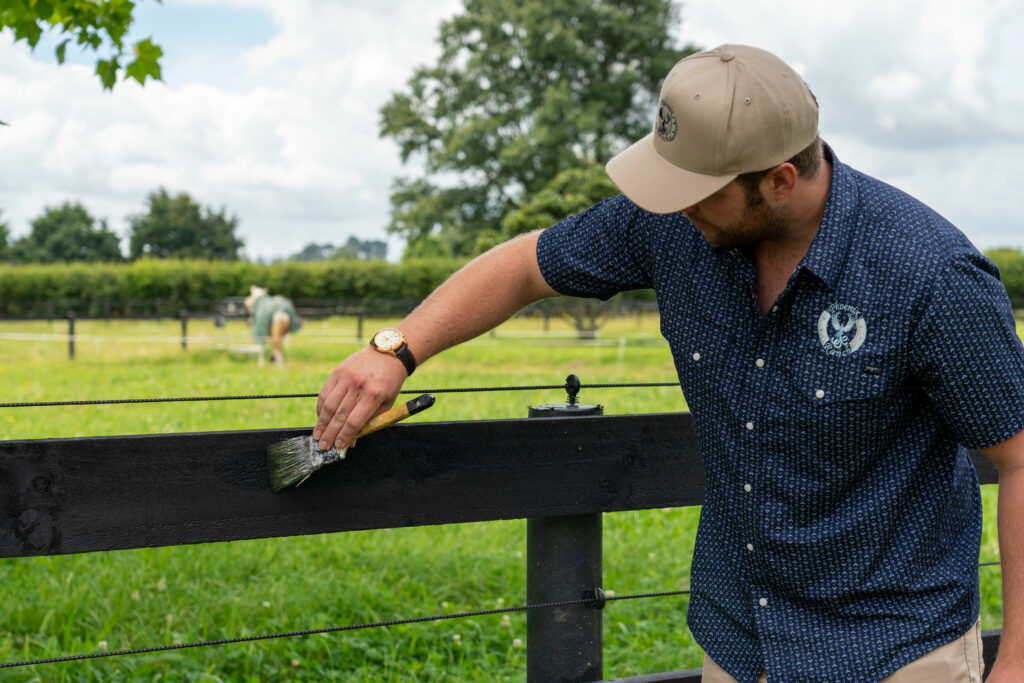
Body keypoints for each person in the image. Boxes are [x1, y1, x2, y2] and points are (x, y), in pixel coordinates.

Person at [313, 45, 1024, 682]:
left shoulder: (930, 274)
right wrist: (397, 351)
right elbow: (526, 263)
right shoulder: (673, 219)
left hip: (891, 652)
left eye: (696, 192)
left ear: (779, 179)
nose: (672, 207)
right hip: (739, 641)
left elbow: (1020, 459)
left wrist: (1016, 663)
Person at [244, 285, 302, 368]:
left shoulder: (263, 307)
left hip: (277, 317)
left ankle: (273, 362)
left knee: (275, 341)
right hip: (286, 317)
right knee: (277, 340)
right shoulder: (278, 302)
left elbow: (261, 328)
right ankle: (276, 359)